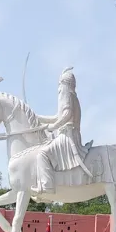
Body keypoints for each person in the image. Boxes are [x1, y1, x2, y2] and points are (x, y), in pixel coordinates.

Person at [31, 67, 93, 196]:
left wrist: (54, 126)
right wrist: (37, 117)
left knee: (42, 154)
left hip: (67, 137)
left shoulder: (66, 94)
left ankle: (47, 185)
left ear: (63, 83)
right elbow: (57, 117)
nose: (58, 87)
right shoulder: (72, 96)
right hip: (71, 135)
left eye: (60, 84)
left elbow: (67, 114)